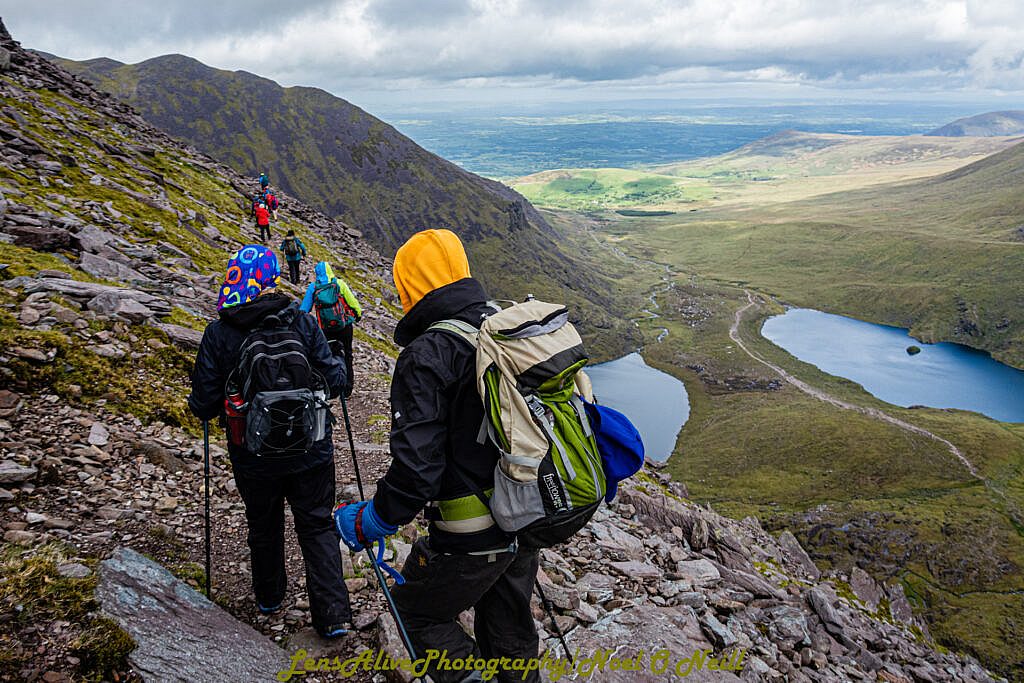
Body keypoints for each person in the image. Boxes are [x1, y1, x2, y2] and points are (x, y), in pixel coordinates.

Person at [334, 229, 539, 683]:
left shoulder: (428, 353)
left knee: (418, 615)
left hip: (473, 529)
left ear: (411, 287)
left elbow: (417, 471)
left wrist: (374, 520)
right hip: (526, 512)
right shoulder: (501, 327)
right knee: (508, 623)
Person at [188, 245, 352, 638]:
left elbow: (203, 405)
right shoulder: (301, 322)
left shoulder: (219, 331)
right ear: (272, 279)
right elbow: (337, 384)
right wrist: (341, 352)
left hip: (252, 454)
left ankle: (269, 597)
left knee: (263, 524)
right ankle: (334, 617)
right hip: (311, 449)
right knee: (315, 525)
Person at [300, 262, 362, 398]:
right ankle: (347, 389)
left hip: (325, 329)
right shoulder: (339, 284)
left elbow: (304, 310)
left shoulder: (313, 287)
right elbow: (352, 302)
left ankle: (331, 386)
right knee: (347, 354)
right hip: (344, 326)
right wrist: (357, 314)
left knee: (327, 356)